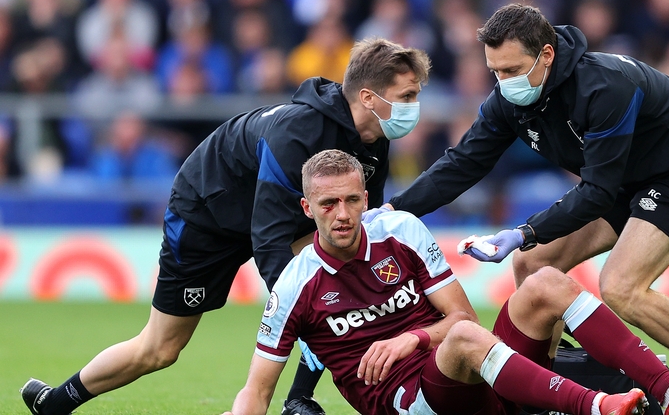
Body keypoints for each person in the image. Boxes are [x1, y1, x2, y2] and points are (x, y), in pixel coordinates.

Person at [372, 3, 669, 414]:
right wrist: (394, 209)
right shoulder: (509, 98)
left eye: (512, 70)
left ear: (547, 55)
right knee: (532, 263)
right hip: (620, 179)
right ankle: (545, 397)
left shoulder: (605, 87)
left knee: (621, 287)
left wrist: (523, 232)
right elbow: (464, 162)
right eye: (495, 72)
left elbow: (597, 192)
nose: (503, 83)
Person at [20, 37, 432, 415]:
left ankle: (298, 400)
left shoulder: (374, 141)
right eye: (407, 97)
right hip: (206, 215)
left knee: (341, 278)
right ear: (368, 97)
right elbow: (267, 237)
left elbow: (362, 231)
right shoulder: (298, 131)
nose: (415, 107)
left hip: (272, 217)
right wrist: (312, 314)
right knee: (160, 348)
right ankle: (55, 403)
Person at [223, 148, 669, 415]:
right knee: (466, 339)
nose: (342, 214)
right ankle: (597, 406)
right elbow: (257, 389)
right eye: (328, 203)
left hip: (469, 374)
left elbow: (462, 317)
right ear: (306, 208)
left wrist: (410, 337)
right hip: (411, 403)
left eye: (352, 200)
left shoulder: (400, 230)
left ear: (366, 197)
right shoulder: (295, 284)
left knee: (544, 282)